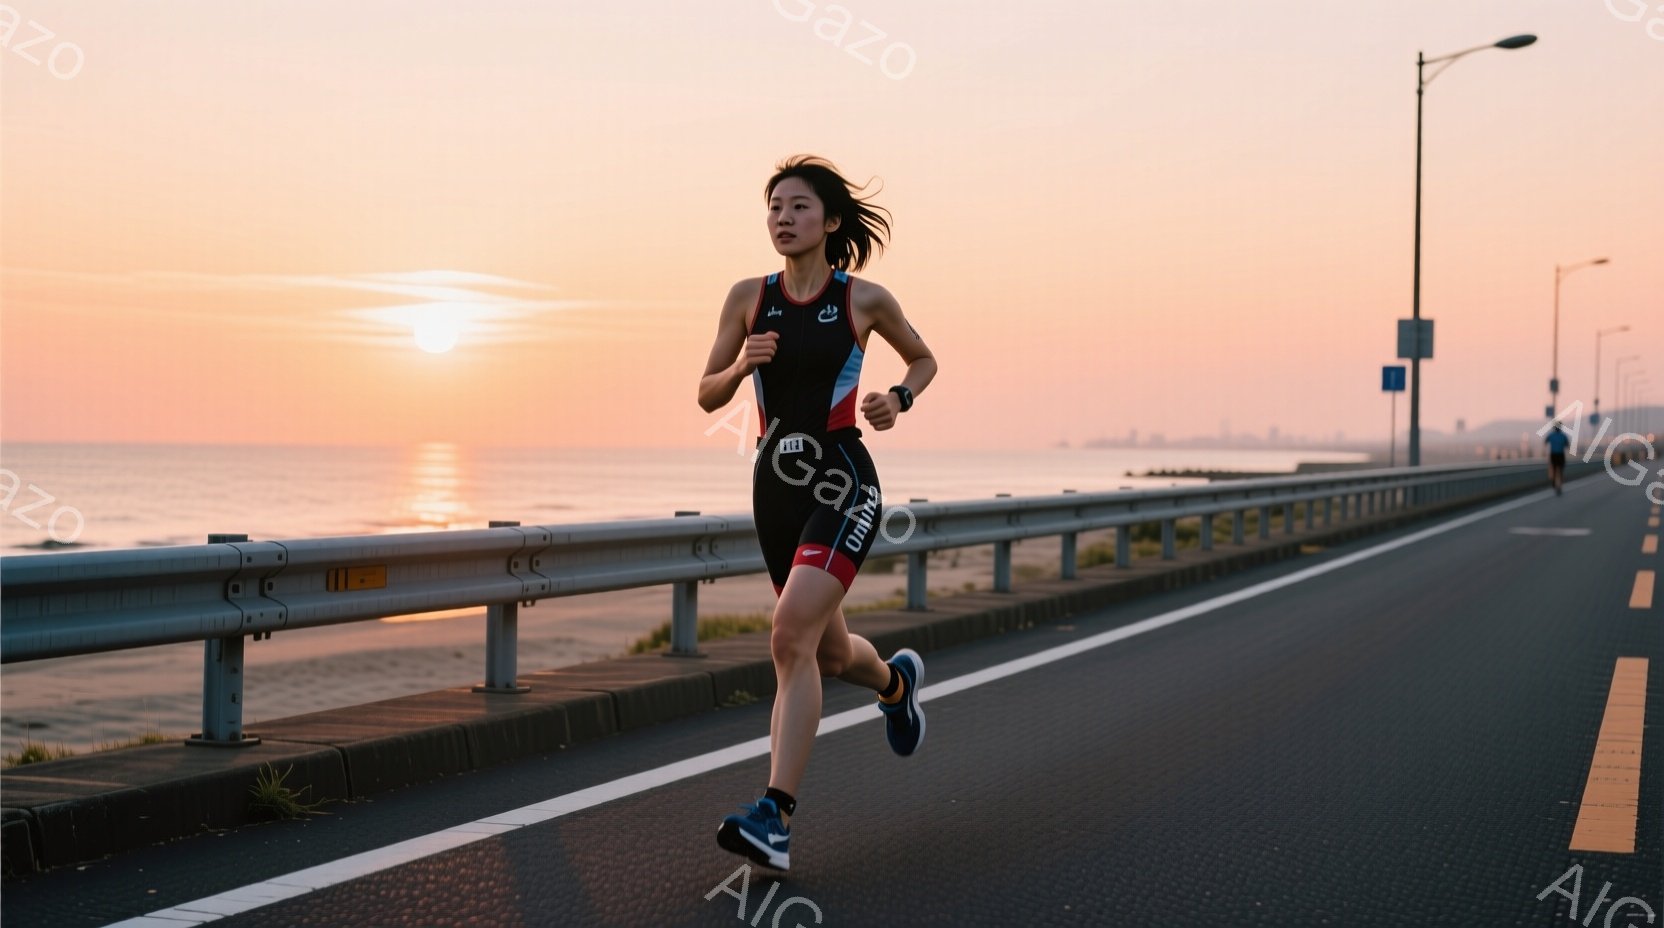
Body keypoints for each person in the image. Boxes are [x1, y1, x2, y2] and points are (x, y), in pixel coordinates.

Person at [697, 155, 939, 871]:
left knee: (787, 637)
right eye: (774, 206)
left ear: (831, 221)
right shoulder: (748, 298)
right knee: (826, 653)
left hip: (843, 483)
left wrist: (899, 399)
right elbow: (706, 394)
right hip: (775, 490)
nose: (782, 217)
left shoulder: (864, 299)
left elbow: (923, 360)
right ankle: (896, 685)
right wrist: (743, 366)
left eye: (798, 206)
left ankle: (774, 814)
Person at [1544, 421, 1570, 495]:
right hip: (1561, 455)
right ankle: (1559, 485)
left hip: (1553, 455)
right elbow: (1567, 445)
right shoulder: (1563, 436)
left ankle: (1553, 483)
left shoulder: (1551, 435)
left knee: (1554, 470)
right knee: (1561, 471)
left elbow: (1545, 442)